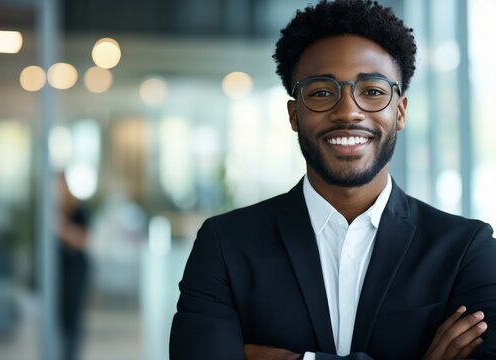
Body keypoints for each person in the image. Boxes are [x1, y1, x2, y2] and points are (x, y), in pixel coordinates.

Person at [169, 1, 496, 359]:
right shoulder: (225, 245)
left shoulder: (466, 249)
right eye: (322, 93)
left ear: (399, 111)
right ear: (294, 114)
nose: (348, 111)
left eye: (372, 91)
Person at [56, 173, 91, 360]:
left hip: (75, 273)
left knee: (73, 322)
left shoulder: (78, 211)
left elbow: (82, 239)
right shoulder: (52, 211)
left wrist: (59, 227)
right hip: (58, 274)